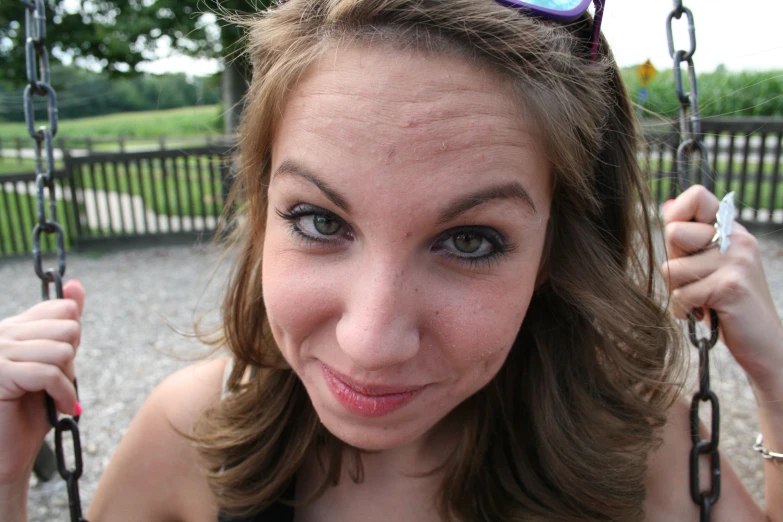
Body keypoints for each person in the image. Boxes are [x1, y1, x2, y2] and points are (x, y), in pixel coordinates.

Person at [1, 0, 781, 520]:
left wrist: (775, 383)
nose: (371, 344)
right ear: (260, 203)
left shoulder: (636, 445)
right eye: (318, 219)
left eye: (470, 240)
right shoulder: (187, 434)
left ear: (554, 250)